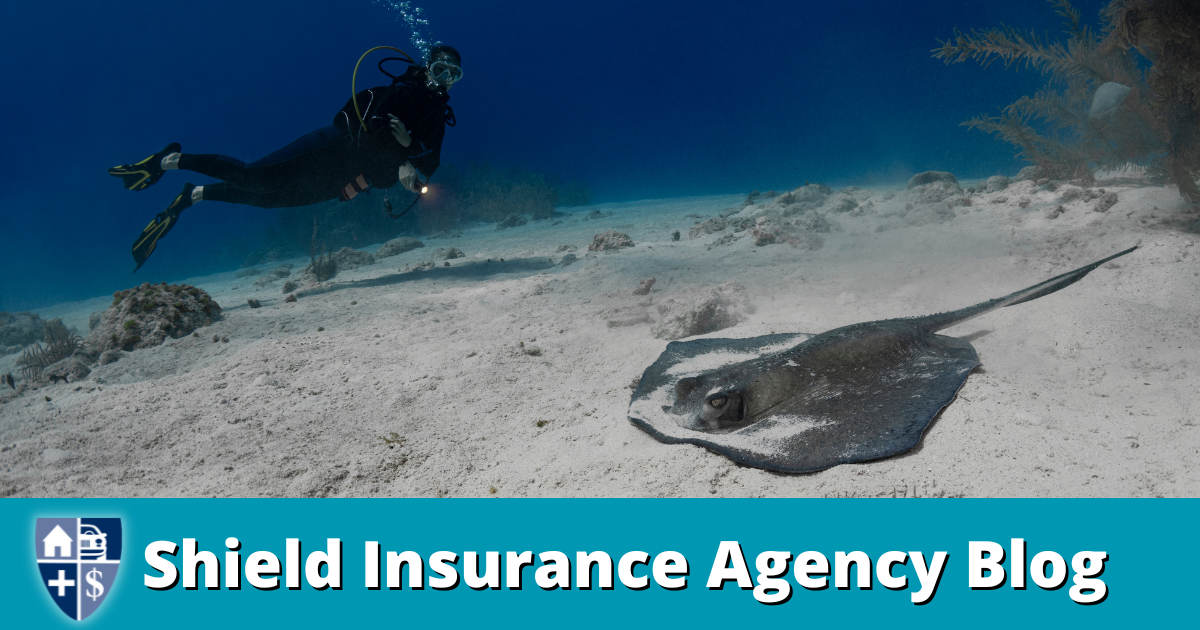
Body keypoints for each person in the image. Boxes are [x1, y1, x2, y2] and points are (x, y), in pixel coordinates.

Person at [111, 44, 463, 271]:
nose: (445, 80)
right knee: (254, 177)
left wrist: (412, 163)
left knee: (268, 200)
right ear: (427, 66)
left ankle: (193, 195)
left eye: (453, 75)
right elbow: (355, 118)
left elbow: (429, 165)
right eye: (440, 70)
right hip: (331, 148)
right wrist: (399, 146)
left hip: (347, 182)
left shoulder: (437, 121)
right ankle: (166, 160)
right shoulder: (397, 92)